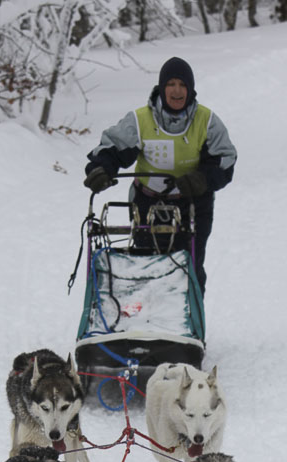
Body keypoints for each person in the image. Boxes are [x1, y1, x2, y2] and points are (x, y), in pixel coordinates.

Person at [83, 57, 237, 294]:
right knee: (148, 263)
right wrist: (100, 169)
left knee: (189, 266)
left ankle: (187, 324)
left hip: (193, 204)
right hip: (148, 202)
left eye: (183, 85)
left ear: (191, 89)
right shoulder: (140, 120)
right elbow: (111, 149)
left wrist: (202, 179)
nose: (177, 91)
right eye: (171, 84)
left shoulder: (207, 122)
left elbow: (225, 162)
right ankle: (147, 322)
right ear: (161, 88)